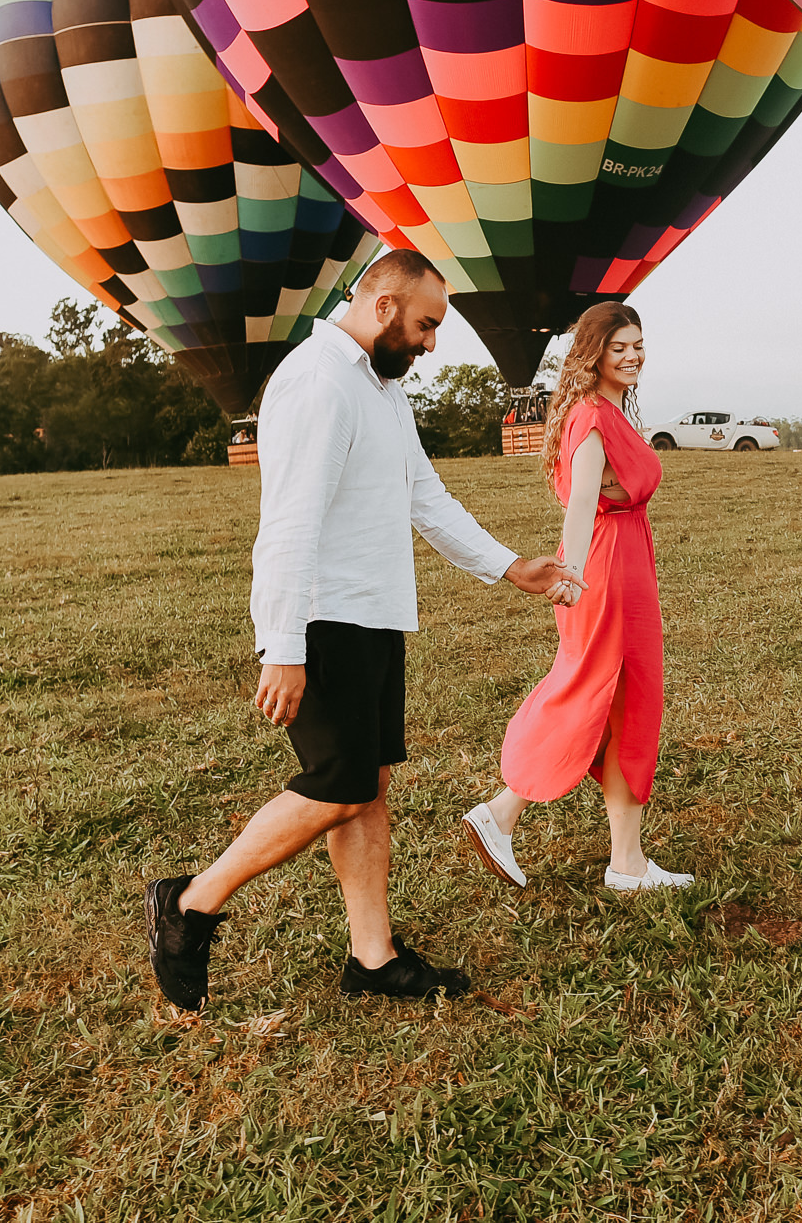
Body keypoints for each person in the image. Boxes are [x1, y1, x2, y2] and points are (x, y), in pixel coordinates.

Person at [144, 250, 580, 1011]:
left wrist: (511, 566)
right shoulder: (319, 383)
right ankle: (188, 904)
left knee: (369, 785)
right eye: (426, 325)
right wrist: (284, 646)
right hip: (323, 617)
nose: (431, 343)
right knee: (339, 785)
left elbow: (426, 497)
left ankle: (372, 958)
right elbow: (289, 523)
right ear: (383, 307)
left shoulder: (381, 390)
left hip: (376, 614)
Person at [462, 301, 694, 894]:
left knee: (623, 703)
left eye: (638, 345)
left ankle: (626, 862)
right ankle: (501, 812)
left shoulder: (608, 410)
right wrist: (570, 572)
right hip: (608, 571)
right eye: (619, 348)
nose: (632, 356)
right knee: (595, 691)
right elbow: (583, 502)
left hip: (625, 564)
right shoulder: (591, 415)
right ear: (594, 354)